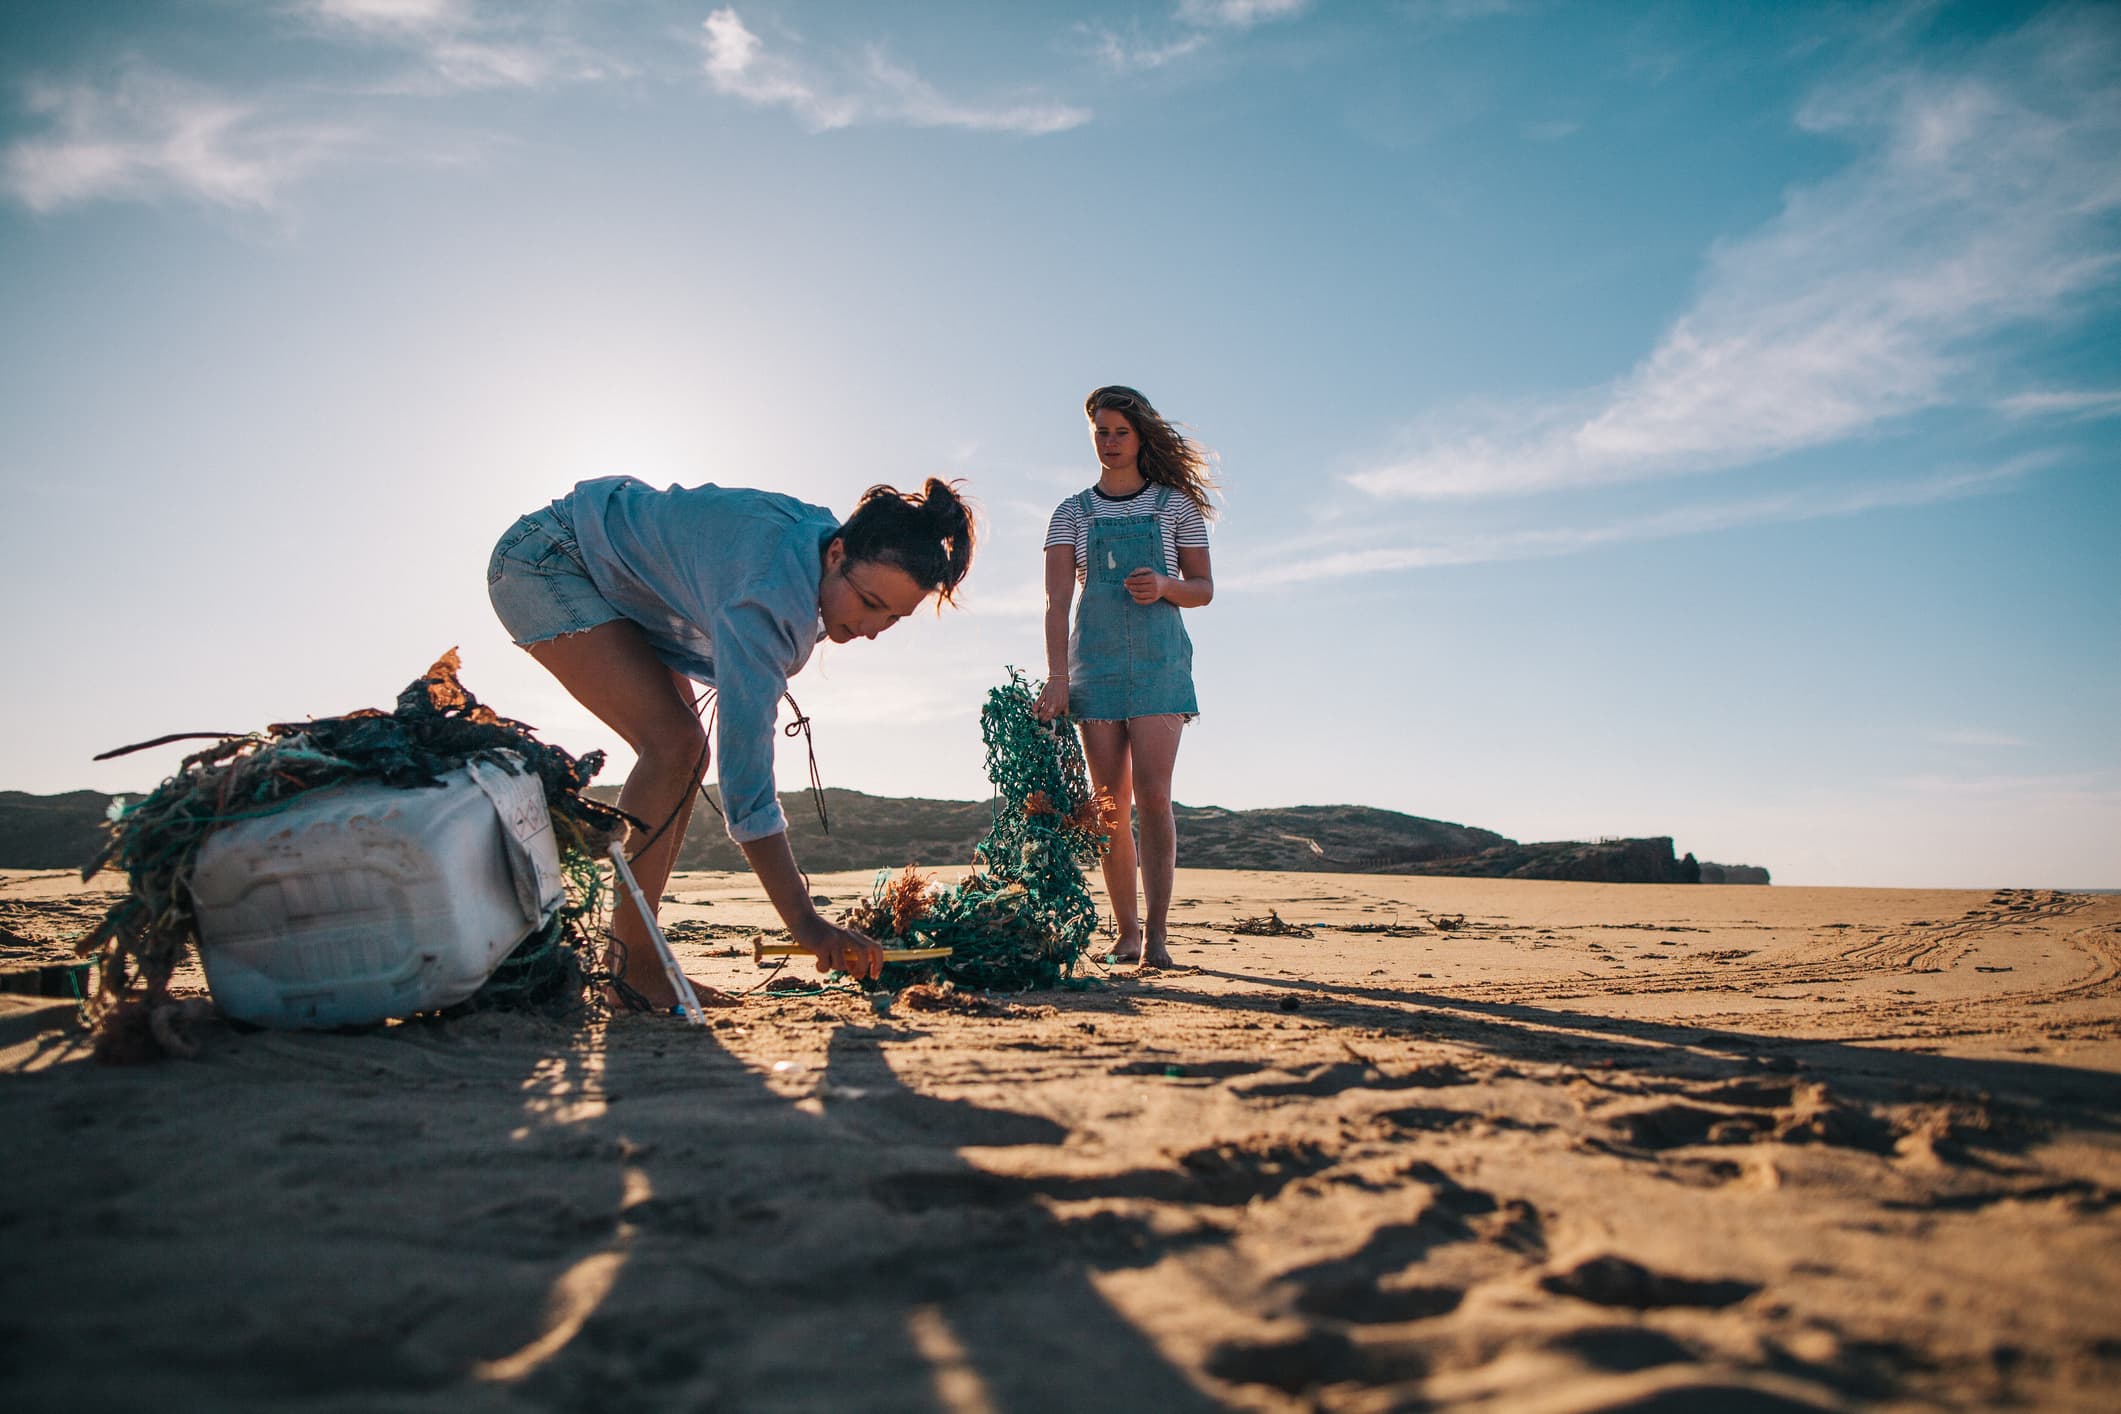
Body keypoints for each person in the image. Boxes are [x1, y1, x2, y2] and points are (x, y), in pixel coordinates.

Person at [487, 474, 975, 1009]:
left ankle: (637, 958)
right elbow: (747, 787)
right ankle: (636, 969)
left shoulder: (817, 543)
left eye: (893, 617)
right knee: (674, 746)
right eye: (868, 602)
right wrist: (807, 924)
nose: (873, 628)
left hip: (616, 572)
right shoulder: (765, 605)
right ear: (836, 553)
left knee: (684, 749)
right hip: (548, 558)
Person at [1033, 386, 1217, 969]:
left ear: (1140, 437)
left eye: (1120, 433)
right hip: (1097, 664)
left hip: (1161, 663)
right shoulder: (1072, 512)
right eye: (1101, 433)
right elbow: (1057, 602)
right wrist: (1057, 677)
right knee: (1109, 803)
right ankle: (1127, 934)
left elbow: (1204, 589)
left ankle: (1158, 937)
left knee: (1154, 797)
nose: (1110, 443)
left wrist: (1165, 587)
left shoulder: (1174, 506)